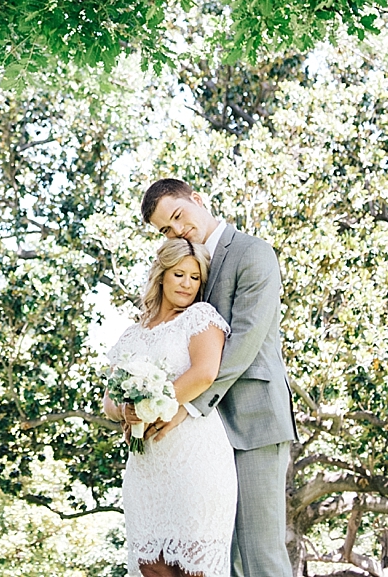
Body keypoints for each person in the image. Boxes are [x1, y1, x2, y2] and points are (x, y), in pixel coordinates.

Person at [141, 178, 296, 577]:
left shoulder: (253, 253)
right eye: (166, 230)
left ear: (197, 199)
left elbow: (244, 343)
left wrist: (184, 403)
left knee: (260, 555)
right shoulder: (185, 268)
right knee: (216, 560)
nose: (177, 231)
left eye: (178, 216)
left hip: (254, 422)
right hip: (204, 438)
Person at [104, 238, 236, 577]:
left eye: (195, 278)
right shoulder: (133, 334)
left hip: (195, 460)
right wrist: (126, 411)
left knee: (194, 570)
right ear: (161, 275)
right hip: (146, 467)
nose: (187, 285)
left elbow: (204, 373)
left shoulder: (200, 317)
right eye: (179, 274)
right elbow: (110, 399)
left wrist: (151, 406)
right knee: (152, 568)